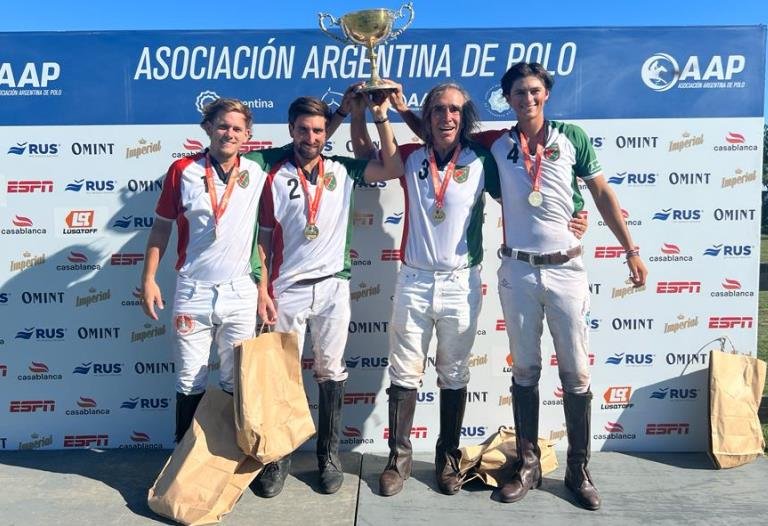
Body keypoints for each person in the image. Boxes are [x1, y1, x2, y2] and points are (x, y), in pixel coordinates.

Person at [353, 83, 588, 497]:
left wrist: (579, 211)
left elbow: (537, 179)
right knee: (405, 373)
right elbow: (368, 161)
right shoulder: (409, 157)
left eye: (455, 110)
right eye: (438, 110)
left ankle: (447, 457)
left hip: (461, 281)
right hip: (413, 279)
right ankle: (399, 458)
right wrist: (378, 112)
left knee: (454, 373)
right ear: (427, 117)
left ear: (466, 117)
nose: (447, 117)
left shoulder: (485, 155)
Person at [469, 62, 648, 510]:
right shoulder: (497, 146)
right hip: (519, 270)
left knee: (576, 373)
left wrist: (630, 249)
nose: (526, 99)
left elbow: (602, 193)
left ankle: (578, 469)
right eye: (517, 93)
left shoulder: (572, 137)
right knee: (525, 371)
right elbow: (446, 138)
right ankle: (527, 466)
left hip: (567, 270)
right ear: (506, 99)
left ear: (545, 94)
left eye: (533, 91)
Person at [249, 91, 404, 497]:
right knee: (282, 375)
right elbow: (263, 240)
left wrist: (378, 114)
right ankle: (277, 458)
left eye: (319, 130)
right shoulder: (271, 168)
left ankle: (328, 456)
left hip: (334, 286)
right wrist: (263, 289)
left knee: (331, 373)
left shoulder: (343, 168)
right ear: (291, 130)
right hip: (286, 289)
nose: (312, 137)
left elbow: (391, 166)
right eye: (304, 129)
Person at [140, 98, 267, 444]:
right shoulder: (182, 170)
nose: (229, 133)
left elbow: (309, 142)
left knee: (234, 380)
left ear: (248, 136)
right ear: (208, 128)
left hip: (241, 290)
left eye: (237, 128)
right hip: (192, 290)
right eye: (223, 125)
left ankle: (227, 462)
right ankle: (183, 468)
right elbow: (161, 228)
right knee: (189, 381)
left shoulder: (258, 168)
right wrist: (149, 278)